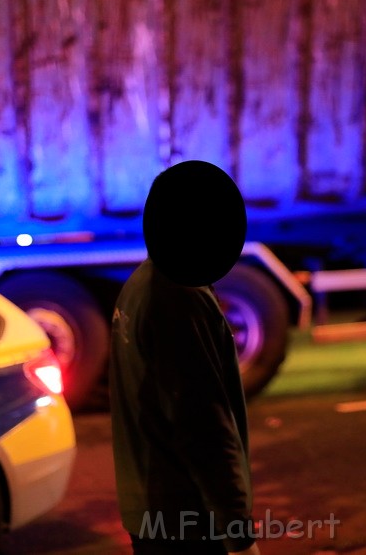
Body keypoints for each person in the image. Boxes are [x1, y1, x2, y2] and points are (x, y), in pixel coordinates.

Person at [110, 160, 260, 555]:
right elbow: (202, 423)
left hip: (151, 509)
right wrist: (239, 534)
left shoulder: (141, 283)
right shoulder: (179, 296)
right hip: (186, 519)